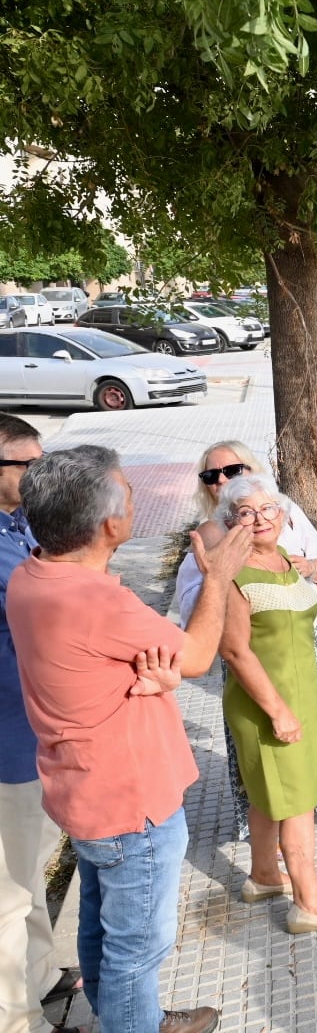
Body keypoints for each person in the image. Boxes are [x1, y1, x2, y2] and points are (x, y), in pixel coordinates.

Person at [8, 445, 252, 1033]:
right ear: (110, 523)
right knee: (135, 952)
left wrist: (145, 669)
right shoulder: (96, 600)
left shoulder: (30, 572)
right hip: (132, 804)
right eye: (129, 491)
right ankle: (134, 1020)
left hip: (86, 793)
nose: (135, 498)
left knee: (100, 925)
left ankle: (132, 1018)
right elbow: (194, 655)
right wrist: (218, 574)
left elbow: (119, 657)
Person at [174, 441, 317, 838]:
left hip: (305, 638)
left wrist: (308, 567)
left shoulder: (284, 511)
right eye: (210, 475)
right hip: (253, 646)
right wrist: (223, 584)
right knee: (266, 736)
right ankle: (273, 832)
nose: (221, 480)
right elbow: (191, 603)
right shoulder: (212, 532)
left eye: (231, 470)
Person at [215, 475, 317, 935]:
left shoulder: (283, 558)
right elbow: (234, 651)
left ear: (283, 517)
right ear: (229, 522)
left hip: (303, 699)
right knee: (295, 802)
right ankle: (308, 902)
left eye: (268, 510)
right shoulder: (233, 572)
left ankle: (263, 877)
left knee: (272, 796)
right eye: (246, 512)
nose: (259, 519)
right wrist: (277, 711)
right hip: (266, 705)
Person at [0, 416, 79, 1033]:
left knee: (31, 871)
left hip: (36, 737)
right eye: (26, 465)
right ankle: (18, 1019)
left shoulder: (21, 526)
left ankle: (44, 976)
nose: (39, 473)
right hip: (6, 744)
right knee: (8, 894)